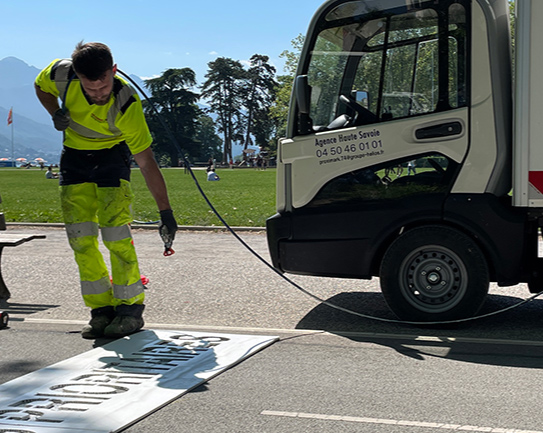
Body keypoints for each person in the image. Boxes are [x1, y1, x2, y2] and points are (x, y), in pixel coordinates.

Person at [34, 41, 178, 339]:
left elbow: (147, 162)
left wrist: (166, 211)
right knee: (81, 239)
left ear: (113, 70)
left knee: (116, 235)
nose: (99, 94)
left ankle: (129, 310)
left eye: (104, 86)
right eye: (91, 89)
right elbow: (40, 87)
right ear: (76, 75)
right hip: (74, 158)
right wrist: (55, 112)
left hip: (112, 156)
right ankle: (100, 311)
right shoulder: (60, 73)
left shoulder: (127, 102)